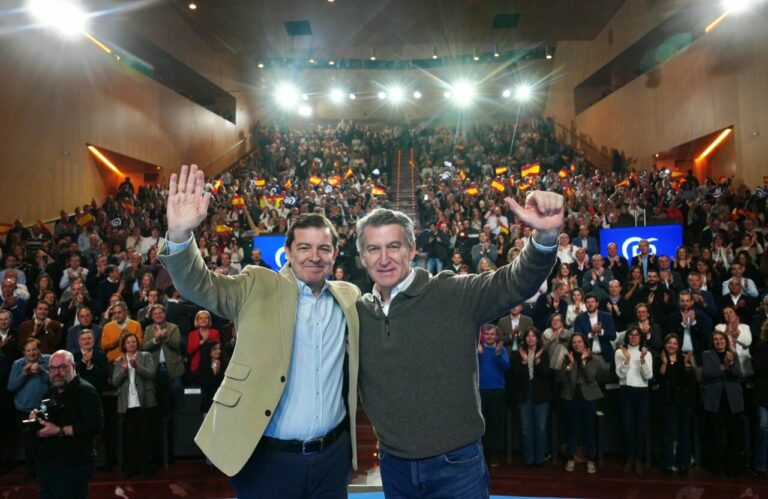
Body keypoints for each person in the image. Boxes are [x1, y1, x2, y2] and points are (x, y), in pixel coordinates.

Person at [160, 164, 361, 497]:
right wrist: (180, 235)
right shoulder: (256, 283)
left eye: (324, 249)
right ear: (289, 253)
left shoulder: (349, 297)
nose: (314, 256)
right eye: (304, 248)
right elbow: (199, 285)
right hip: (267, 459)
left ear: (335, 254)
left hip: (332, 458)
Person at [355, 190, 562, 498]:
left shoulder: (453, 292)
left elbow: (514, 282)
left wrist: (544, 237)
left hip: (456, 465)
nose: (384, 258)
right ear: (362, 257)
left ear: (412, 250)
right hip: (394, 465)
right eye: (374, 249)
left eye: (393, 246)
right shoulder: (358, 312)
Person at [29, 350, 103, 499]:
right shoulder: (50, 393)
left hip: (73, 466)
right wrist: (36, 419)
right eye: (53, 368)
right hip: (49, 466)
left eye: (62, 367)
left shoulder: (86, 392)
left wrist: (59, 430)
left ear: (73, 366)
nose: (57, 373)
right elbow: (46, 420)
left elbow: (95, 426)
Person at [112, 332, 157, 477]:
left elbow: (152, 374)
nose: (132, 344)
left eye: (134, 341)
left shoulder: (146, 356)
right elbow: (115, 382)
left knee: (146, 436)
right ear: (124, 345)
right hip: (128, 403)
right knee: (130, 438)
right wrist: (124, 370)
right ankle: (131, 467)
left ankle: (147, 468)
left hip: (144, 401)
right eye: (129, 342)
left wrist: (137, 367)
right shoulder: (119, 360)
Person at [7, 338, 51, 479]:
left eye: (34, 349)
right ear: (24, 352)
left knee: (46, 441)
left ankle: (46, 470)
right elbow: (11, 386)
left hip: (44, 408)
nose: (31, 353)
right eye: (28, 350)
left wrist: (42, 371)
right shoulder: (18, 364)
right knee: (29, 442)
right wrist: (25, 374)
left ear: (39, 349)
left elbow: (57, 380)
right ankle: (31, 471)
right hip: (24, 409)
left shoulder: (49, 360)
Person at [560, 333, 602, 474]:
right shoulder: (567, 359)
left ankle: (590, 459)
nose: (577, 344)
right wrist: (571, 364)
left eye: (579, 342)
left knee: (590, 429)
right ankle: (571, 458)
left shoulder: (593, 358)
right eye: (574, 342)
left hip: (589, 398)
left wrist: (583, 362)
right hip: (571, 398)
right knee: (572, 429)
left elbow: (590, 377)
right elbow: (562, 380)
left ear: (585, 343)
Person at [656, 333, 696, 476]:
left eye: (675, 343)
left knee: (684, 433)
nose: (671, 346)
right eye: (669, 343)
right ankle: (668, 463)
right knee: (668, 433)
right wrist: (665, 364)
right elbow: (659, 378)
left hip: (683, 401)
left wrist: (686, 364)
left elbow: (690, 379)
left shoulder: (683, 359)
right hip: (667, 400)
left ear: (678, 346)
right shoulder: (659, 358)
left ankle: (683, 464)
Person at [615, 327, 653, 474]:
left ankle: (638, 458)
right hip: (626, 391)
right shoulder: (620, 352)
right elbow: (620, 374)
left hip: (642, 392)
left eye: (636, 335)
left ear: (640, 337)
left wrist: (642, 359)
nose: (633, 337)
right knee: (627, 427)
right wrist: (628, 359)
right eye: (631, 335)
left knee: (641, 427)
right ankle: (629, 457)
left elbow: (648, 376)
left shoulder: (646, 353)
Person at [512, 327, 551, 468]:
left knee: (540, 429)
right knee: (526, 430)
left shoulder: (544, 354)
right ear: (524, 339)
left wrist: (535, 360)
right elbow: (515, 375)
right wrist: (523, 362)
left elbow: (545, 374)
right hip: (524, 395)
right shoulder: (518, 354)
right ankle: (528, 459)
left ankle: (540, 459)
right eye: (528, 336)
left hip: (541, 396)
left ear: (537, 339)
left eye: (533, 336)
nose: (530, 338)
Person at [476, 324, 510, 468]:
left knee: (496, 424)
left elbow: (507, 367)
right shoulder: (478, 349)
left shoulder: (501, 350)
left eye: (492, 334)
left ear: (496, 336)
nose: (489, 336)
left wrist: (498, 355)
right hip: (480, 391)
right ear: (484, 335)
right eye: (487, 334)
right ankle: (481, 455)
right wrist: (477, 353)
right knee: (481, 425)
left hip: (497, 391)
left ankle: (494, 455)